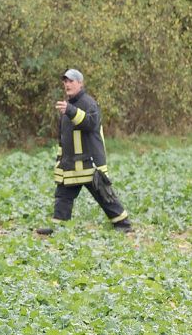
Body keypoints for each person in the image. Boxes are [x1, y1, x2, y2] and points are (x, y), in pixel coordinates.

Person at [37, 69, 131, 234]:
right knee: (62, 196)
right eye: (65, 81)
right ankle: (59, 228)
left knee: (103, 193)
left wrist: (71, 110)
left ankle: (123, 224)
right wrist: (60, 161)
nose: (67, 84)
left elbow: (91, 124)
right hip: (71, 164)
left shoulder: (89, 103)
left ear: (80, 83)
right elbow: (64, 138)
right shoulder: (67, 107)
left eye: (71, 81)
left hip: (89, 163)